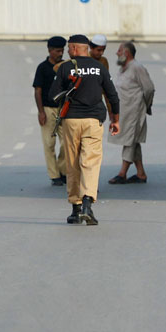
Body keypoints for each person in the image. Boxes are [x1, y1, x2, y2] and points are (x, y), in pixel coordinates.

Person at [52, 34, 120, 226]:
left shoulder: (65, 67)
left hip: (71, 120)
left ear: (74, 49)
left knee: (73, 162)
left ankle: (75, 208)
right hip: (93, 120)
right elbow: (113, 96)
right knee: (90, 161)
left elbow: (52, 95)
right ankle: (88, 205)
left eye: (68, 48)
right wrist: (116, 119)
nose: (66, 51)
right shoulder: (99, 67)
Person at [108, 41, 155, 184]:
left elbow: (149, 89)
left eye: (119, 50)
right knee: (133, 141)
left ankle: (122, 173)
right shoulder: (124, 68)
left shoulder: (137, 67)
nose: (117, 53)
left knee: (129, 141)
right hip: (124, 112)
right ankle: (141, 174)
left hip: (134, 111)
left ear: (126, 53)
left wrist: (144, 105)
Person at [32, 36, 68, 185]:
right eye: (58, 51)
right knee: (49, 143)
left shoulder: (66, 67)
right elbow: (38, 91)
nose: (60, 54)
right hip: (48, 109)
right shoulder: (42, 68)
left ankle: (63, 169)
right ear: (50, 50)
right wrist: (41, 112)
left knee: (67, 142)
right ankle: (54, 175)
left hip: (64, 109)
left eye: (62, 50)